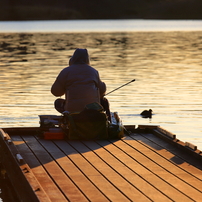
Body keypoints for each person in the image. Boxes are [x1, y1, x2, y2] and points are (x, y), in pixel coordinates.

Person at [51, 48, 111, 122]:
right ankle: (108, 123)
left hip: (72, 110)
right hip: (92, 110)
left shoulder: (66, 71)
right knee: (104, 101)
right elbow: (102, 91)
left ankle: (69, 120)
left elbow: (55, 92)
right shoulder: (93, 71)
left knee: (58, 102)